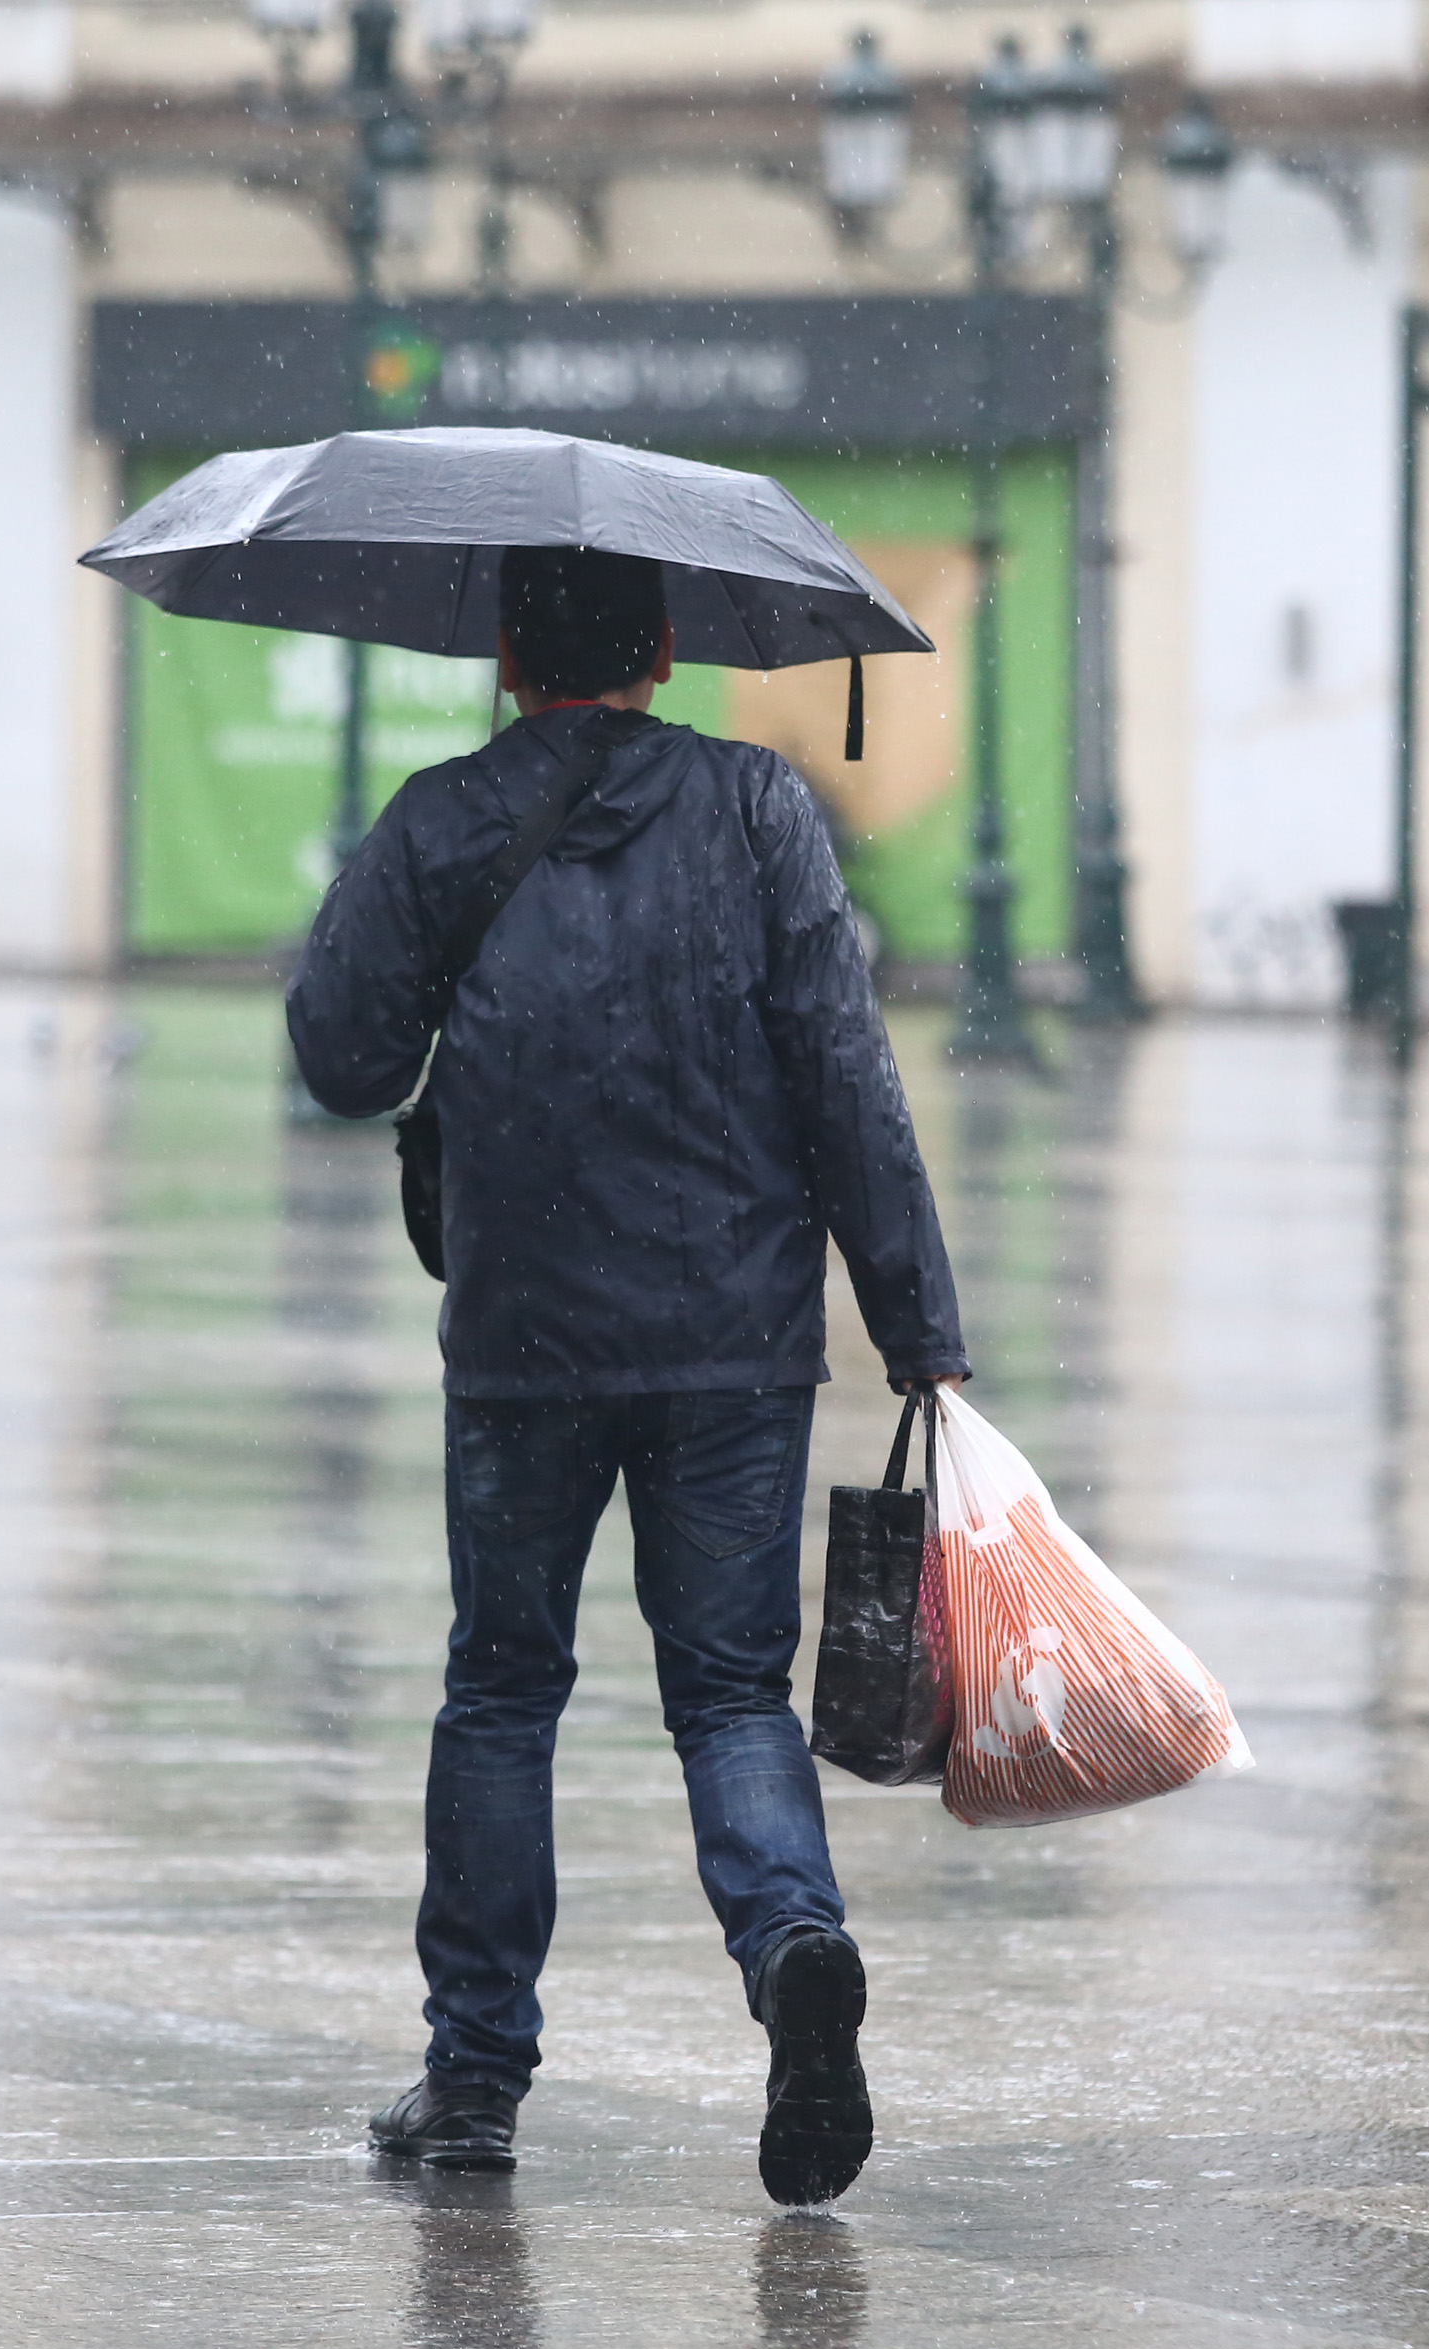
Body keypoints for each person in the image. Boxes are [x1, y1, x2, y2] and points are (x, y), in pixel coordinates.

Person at [285, 546, 970, 2208]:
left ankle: (472, 2084)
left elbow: (339, 1050)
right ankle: (795, 1942)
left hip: (523, 1338)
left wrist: (438, 955)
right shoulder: (760, 810)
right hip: (734, 1333)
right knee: (731, 1688)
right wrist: (921, 1327)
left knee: (504, 1686)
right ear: (664, 649)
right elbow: (845, 1076)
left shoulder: (448, 817)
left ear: (511, 651)